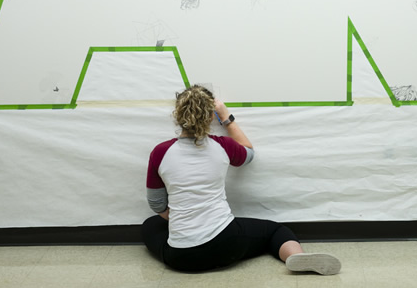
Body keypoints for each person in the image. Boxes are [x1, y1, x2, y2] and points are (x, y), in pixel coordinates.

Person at [141, 84, 341, 275]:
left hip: (180, 258)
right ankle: (296, 256)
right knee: (275, 231)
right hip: (226, 245)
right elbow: (249, 154)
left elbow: (157, 204)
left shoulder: (161, 152)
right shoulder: (223, 146)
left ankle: (184, 242)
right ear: (211, 116)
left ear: (177, 115)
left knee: (150, 225)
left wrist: (183, 217)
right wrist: (227, 118)